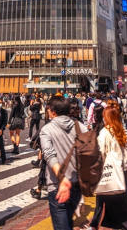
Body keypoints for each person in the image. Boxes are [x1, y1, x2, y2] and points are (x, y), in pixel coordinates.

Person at [86, 103, 127, 230]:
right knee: (123, 201)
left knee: (106, 197)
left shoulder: (105, 132)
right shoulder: (120, 129)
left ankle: (101, 224)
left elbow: (100, 152)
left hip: (109, 170)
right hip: (121, 170)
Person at [39, 96, 84, 230]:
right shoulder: (80, 126)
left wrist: (62, 178)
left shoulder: (47, 130)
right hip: (77, 183)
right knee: (69, 222)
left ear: (52, 111)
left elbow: (49, 155)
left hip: (58, 185)